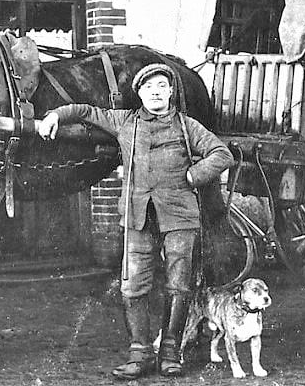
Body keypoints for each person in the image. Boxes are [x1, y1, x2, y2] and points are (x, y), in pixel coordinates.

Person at [37, 63, 234, 379]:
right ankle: (139, 354)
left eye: (161, 86)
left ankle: (171, 353)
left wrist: (194, 175)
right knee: (132, 287)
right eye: (148, 88)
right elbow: (86, 111)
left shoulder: (187, 126)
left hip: (179, 217)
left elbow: (222, 154)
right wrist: (56, 115)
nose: (155, 92)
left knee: (179, 286)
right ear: (140, 94)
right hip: (137, 217)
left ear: (170, 92)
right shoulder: (125, 121)